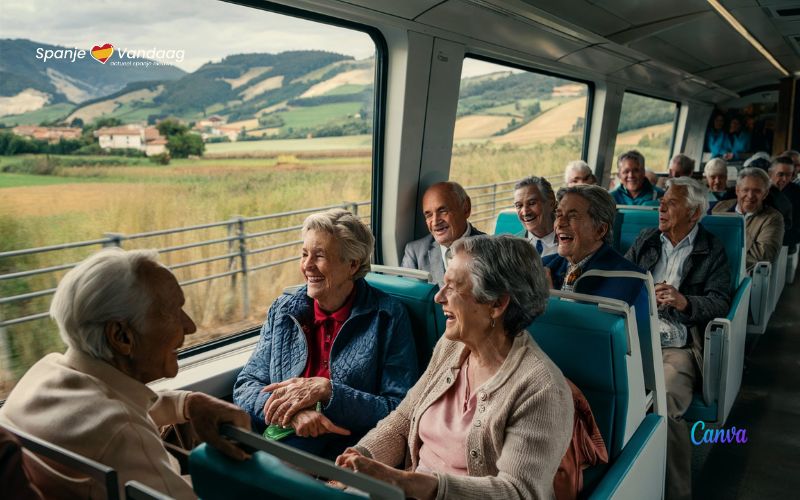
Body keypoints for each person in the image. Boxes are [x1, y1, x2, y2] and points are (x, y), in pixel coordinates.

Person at [0, 248, 251, 500]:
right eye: (173, 311)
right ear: (121, 336)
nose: (190, 326)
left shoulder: (44, 373)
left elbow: (99, 412)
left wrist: (187, 403)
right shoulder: (124, 437)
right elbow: (115, 425)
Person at [336, 235, 574, 499]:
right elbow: (403, 420)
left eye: (453, 287)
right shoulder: (452, 347)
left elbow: (518, 492)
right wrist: (360, 456)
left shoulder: (542, 389)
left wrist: (406, 482)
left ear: (496, 304)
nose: (439, 297)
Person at [233, 209, 417, 460]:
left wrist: (330, 392)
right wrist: (294, 414)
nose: (307, 266)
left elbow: (399, 409)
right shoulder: (283, 310)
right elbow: (246, 385)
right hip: (272, 439)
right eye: (304, 254)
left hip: (340, 452)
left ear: (352, 264)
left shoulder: (388, 317)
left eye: (319, 256)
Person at [625, 178, 731, 500]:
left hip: (679, 345)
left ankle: (676, 493)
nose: (661, 207)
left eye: (671, 203)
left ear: (695, 213)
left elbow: (720, 301)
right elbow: (623, 281)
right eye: (662, 200)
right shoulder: (647, 240)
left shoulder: (712, 251)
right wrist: (641, 297)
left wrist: (684, 302)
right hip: (638, 336)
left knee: (664, 404)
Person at [544, 185, 645, 304]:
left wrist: (550, 300)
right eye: (559, 215)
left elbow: (592, 322)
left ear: (600, 230)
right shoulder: (541, 266)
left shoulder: (629, 280)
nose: (559, 223)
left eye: (573, 216)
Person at [402, 182, 486, 286]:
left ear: (466, 208)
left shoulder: (491, 250)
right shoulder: (415, 253)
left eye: (442, 211)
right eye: (428, 215)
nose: (435, 221)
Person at [712, 168, 784, 271]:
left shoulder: (773, 218)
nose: (750, 196)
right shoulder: (716, 208)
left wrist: (720, 257)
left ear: (765, 194)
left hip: (741, 275)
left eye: (757, 191)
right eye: (745, 190)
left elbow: (764, 256)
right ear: (737, 190)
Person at [513, 176, 558, 258]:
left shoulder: (573, 242)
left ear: (551, 202)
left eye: (532, 203)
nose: (525, 212)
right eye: (519, 206)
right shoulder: (513, 247)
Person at [769, 156, 800, 250]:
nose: (785, 179)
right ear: (770, 173)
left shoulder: (797, 193)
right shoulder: (760, 190)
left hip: (787, 243)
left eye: (788, 175)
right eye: (781, 174)